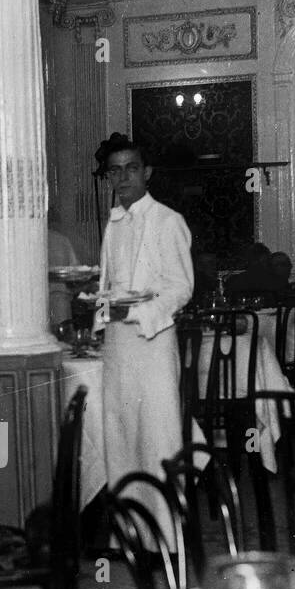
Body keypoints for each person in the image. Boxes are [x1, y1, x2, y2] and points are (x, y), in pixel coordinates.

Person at [96, 134, 194, 536]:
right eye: (115, 171)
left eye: (130, 168)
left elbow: (180, 287)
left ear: (147, 172)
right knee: (120, 438)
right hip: (117, 344)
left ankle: (169, 539)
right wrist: (103, 312)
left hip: (153, 343)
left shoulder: (168, 220)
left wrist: (139, 312)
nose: (123, 177)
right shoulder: (113, 224)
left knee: (159, 438)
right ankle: (132, 536)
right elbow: (107, 283)